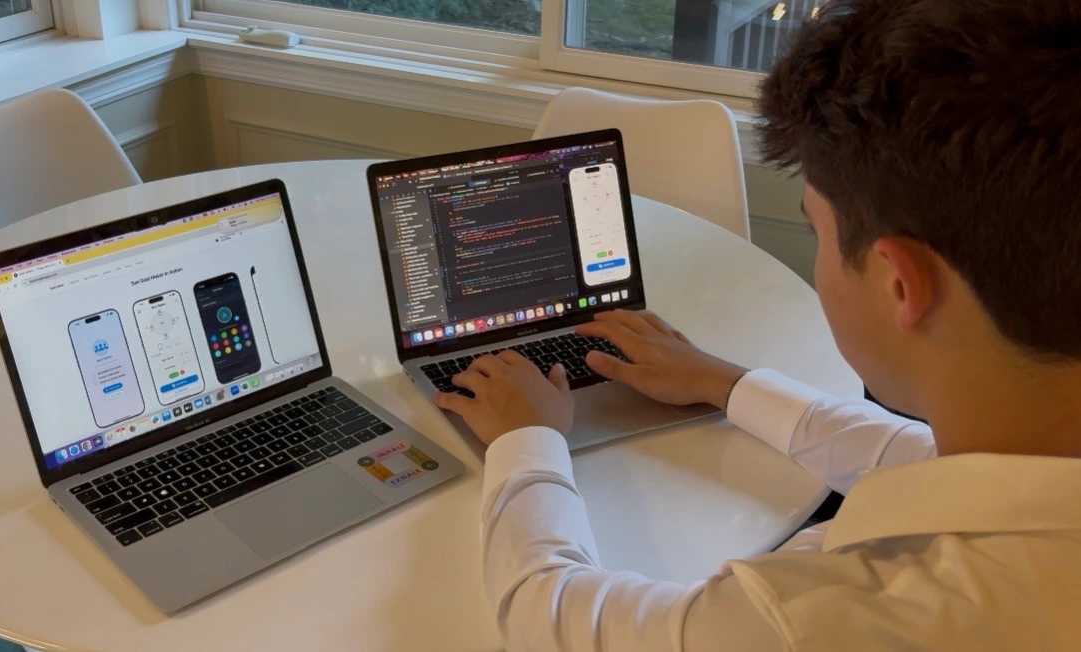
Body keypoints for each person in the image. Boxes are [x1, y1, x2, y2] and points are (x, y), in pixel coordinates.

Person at [433, 0, 1081, 649]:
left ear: (898, 283)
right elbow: (914, 458)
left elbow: (549, 616)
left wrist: (527, 441)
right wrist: (726, 383)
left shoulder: (827, 621)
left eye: (815, 229)